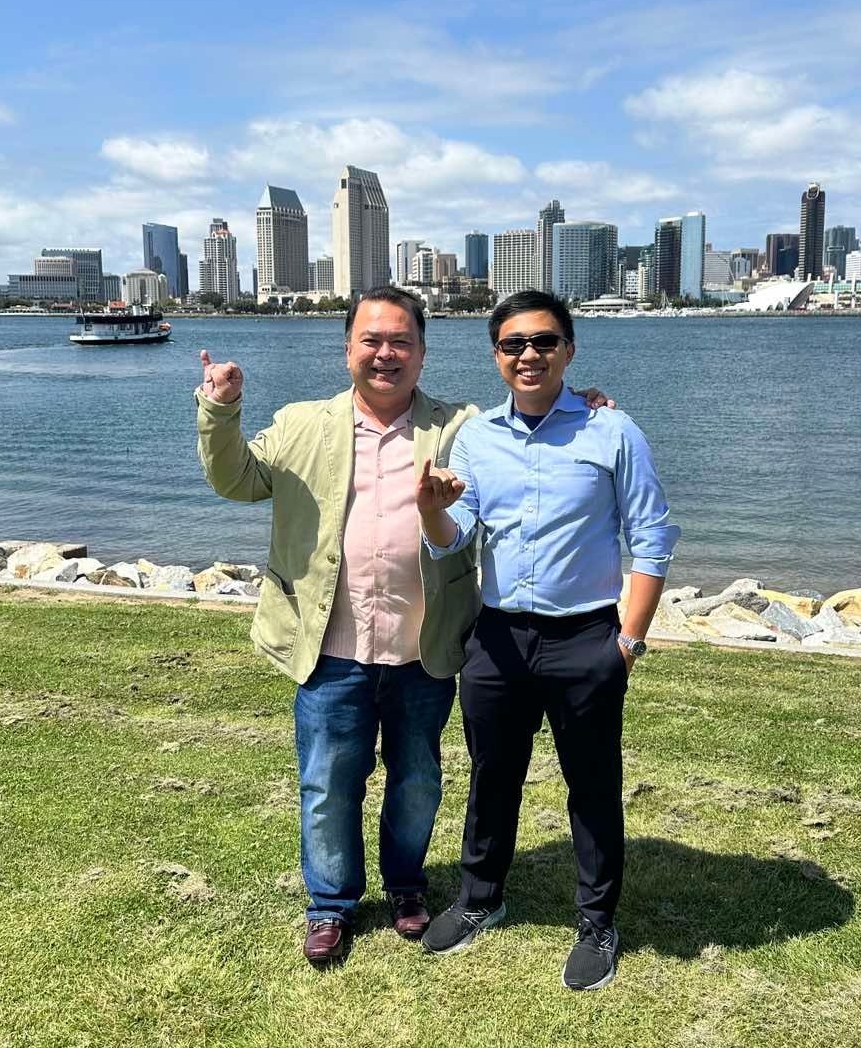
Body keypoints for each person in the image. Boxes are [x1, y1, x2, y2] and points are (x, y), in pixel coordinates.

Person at [196, 286, 610, 968]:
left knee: (417, 780)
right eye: (372, 340)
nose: (386, 353)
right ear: (348, 349)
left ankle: (407, 888)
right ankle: (330, 905)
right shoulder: (302, 423)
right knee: (328, 782)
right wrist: (219, 407)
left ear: (422, 351)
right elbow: (237, 480)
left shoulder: (459, 427)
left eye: (401, 342)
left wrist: (581, 403)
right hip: (329, 647)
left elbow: (525, 422)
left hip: (425, 647)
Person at [415, 289, 680, 991]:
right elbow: (452, 542)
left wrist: (627, 642)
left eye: (542, 342)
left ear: (568, 349)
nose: (527, 355)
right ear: (495, 356)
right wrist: (432, 513)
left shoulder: (612, 431)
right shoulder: (476, 438)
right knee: (491, 777)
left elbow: (651, 538)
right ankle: (480, 899)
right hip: (498, 637)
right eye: (512, 345)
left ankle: (596, 921)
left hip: (586, 637)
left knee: (592, 786)